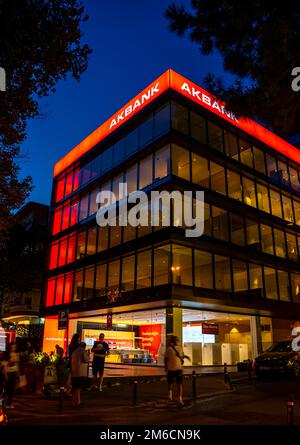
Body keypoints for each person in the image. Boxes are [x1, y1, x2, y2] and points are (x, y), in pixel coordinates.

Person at [164, 335, 190, 407]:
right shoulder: (169, 349)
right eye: (176, 340)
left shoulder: (180, 348)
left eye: (177, 340)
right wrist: (166, 367)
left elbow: (182, 356)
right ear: (173, 341)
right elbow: (166, 359)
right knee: (170, 383)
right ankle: (170, 392)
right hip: (171, 368)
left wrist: (187, 357)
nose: (177, 341)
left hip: (179, 369)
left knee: (180, 384)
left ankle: (179, 398)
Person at [71, 342, 89, 406]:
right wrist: (88, 356)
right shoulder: (83, 351)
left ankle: (78, 401)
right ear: (84, 346)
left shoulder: (74, 352)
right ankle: (74, 400)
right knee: (79, 388)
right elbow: (86, 360)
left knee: (76, 387)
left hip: (74, 372)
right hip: (81, 372)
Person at [2, 343, 20, 409]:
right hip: (8, 373)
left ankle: (9, 403)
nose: (13, 348)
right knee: (6, 389)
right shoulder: (6, 354)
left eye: (14, 347)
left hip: (14, 373)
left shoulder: (17, 354)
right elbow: (4, 365)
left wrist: (17, 373)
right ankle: (4, 403)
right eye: (12, 347)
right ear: (9, 348)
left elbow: (17, 364)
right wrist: (6, 375)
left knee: (12, 389)